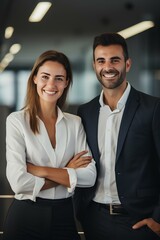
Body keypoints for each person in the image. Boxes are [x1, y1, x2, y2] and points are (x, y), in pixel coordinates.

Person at [74, 32, 160, 240]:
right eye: (101, 61)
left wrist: (158, 218)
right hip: (94, 218)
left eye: (115, 60)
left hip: (139, 222)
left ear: (127, 64)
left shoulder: (153, 108)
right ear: (94, 66)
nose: (108, 67)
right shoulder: (85, 112)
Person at [3, 50, 96, 240]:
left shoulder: (74, 123)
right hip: (25, 215)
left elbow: (89, 176)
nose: (51, 84)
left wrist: (40, 170)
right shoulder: (17, 121)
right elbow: (18, 183)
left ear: (67, 82)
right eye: (45, 76)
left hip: (64, 215)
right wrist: (67, 171)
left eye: (59, 78)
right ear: (35, 78)